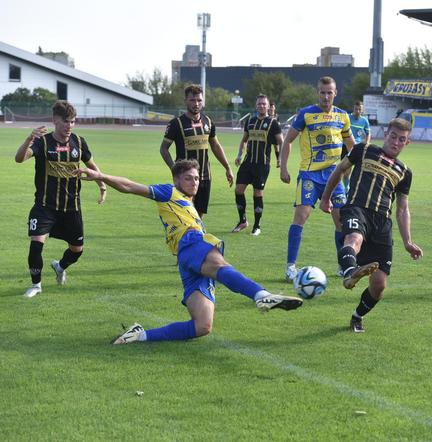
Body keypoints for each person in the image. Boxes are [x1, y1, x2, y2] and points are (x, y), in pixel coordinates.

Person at [76, 159, 302, 345]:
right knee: (220, 266)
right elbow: (130, 186)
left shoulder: (188, 203)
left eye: (196, 178)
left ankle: (139, 335)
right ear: (176, 180)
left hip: (186, 259)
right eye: (188, 178)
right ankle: (262, 296)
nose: (194, 182)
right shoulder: (169, 191)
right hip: (190, 242)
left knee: (202, 326)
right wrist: (101, 176)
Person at [320, 118, 423, 332]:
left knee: (379, 286)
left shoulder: (405, 172)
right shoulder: (363, 150)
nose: (396, 142)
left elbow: (402, 209)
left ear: (407, 143)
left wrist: (408, 242)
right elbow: (339, 170)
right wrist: (325, 198)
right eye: (393, 136)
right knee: (353, 239)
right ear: (386, 133)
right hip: (357, 209)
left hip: (382, 224)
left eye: (401, 139)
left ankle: (357, 316)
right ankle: (350, 273)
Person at [15, 100, 107, 298]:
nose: (69, 126)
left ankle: (60, 266)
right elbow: (19, 158)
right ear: (55, 121)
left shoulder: (79, 142)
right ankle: (36, 285)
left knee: (77, 250)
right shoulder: (43, 142)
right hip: (44, 206)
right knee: (36, 244)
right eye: (66, 121)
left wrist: (102, 184)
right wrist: (28, 139)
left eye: (73, 122)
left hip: (71, 207)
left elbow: (91, 165)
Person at [279, 76, 355, 280]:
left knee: (341, 221)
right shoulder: (306, 114)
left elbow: (351, 145)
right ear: (317, 93)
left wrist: (354, 167)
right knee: (301, 216)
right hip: (310, 175)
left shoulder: (343, 116)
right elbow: (288, 141)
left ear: (335, 93)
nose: (326, 96)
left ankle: (343, 265)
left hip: (335, 175)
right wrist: (283, 167)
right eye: (322, 92)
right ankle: (290, 266)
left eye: (329, 92)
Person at [160, 84, 234, 218]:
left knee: (199, 215)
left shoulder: (208, 122)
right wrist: (174, 169)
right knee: (186, 214)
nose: (196, 104)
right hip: (185, 177)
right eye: (192, 100)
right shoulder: (176, 123)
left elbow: (215, 145)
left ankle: (197, 237)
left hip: (205, 176)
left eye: (199, 100)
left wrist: (227, 167)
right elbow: (163, 149)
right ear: (185, 101)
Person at [232, 94, 283, 236]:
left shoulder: (273, 123)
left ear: (268, 106)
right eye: (259, 104)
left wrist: (281, 160)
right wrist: (239, 155)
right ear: (256, 105)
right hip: (248, 162)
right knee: (238, 190)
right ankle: (242, 221)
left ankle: (257, 225)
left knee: (257, 193)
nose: (261, 106)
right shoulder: (250, 121)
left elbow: (281, 142)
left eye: (264, 104)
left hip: (262, 164)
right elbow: (244, 140)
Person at [343, 101, 371, 192]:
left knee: (359, 168)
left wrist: (367, 142)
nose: (358, 111)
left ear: (362, 110)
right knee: (346, 170)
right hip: (346, 146)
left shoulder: (364, 120)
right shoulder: (347, 117)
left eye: (360, 109)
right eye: (356, 109)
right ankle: (347, 188)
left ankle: (354, 189)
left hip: (358, 148)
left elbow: (368, 133)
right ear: (353, 109)